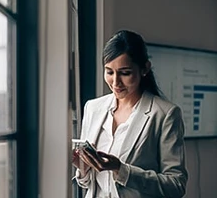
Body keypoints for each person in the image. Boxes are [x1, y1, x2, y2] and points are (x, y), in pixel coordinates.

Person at [72, 30, 188, 198]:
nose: (115, 82)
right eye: (109, 72)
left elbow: (176, 185)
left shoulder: (165, 114)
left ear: (144, 69)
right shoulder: (93, 108)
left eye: (125, 73)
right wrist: (82, 168)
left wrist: (122, 170)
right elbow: (88, 184)